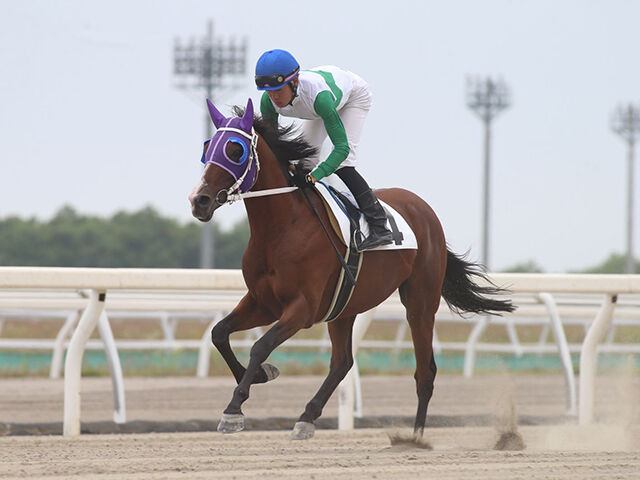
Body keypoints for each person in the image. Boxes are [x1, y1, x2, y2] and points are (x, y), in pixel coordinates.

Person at [255, 49, 393, 251]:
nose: (274, 97)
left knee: (343, 163)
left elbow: (341, 149)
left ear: (294, 82)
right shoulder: (267, 103)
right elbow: (273, 150)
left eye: (279, 90)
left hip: (353, 98)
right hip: (318, 106)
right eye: (269, 91)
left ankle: (380, 226)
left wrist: (315, 176)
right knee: (304, 164)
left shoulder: (320, 98)